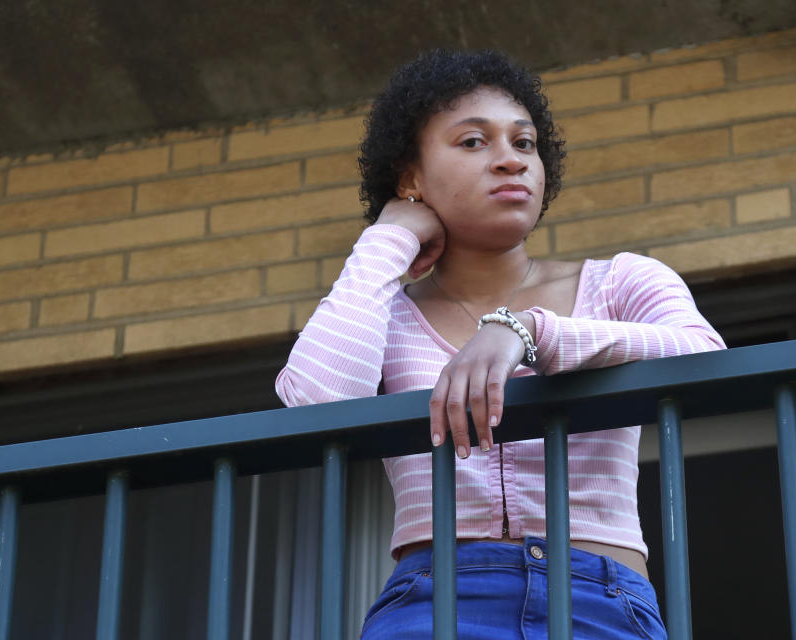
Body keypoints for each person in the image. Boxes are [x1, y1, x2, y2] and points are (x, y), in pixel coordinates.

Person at [275, 49, 724, 639]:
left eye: (525, 143)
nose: (510, 160)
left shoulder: (620, 281)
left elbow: (704, 357)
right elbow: (316, 401)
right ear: (410, 176)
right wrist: (390, 237)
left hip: (599, 598)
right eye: (472, 143)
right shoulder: (388, 317)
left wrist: (531, 331)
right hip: (432, 603)